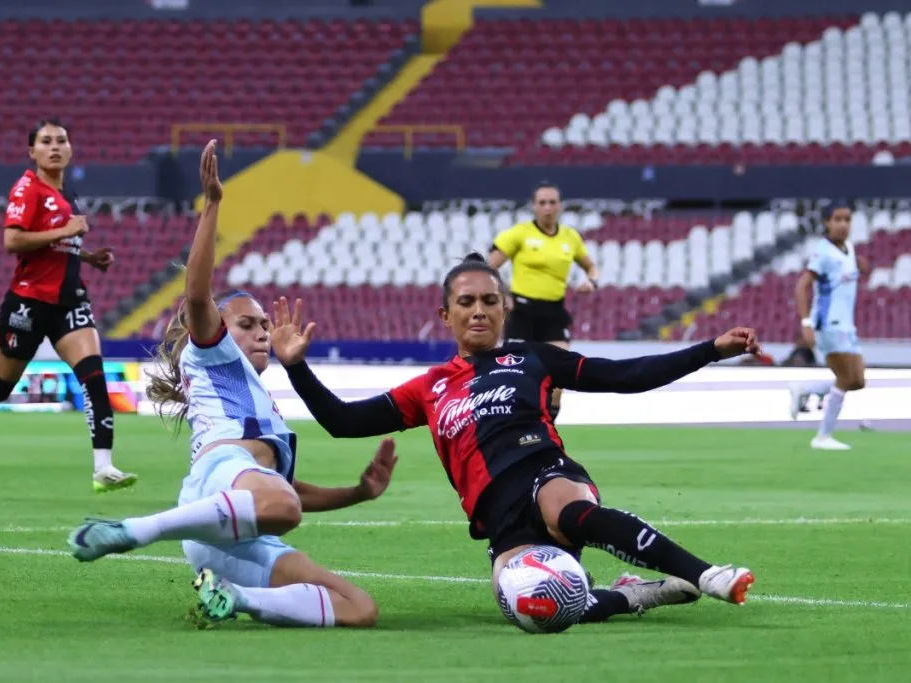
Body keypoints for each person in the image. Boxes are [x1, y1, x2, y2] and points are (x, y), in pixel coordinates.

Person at [271, 254, 761, 627]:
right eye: (466, 302)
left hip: (546, 471)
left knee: (567, 513)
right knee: (539, 611)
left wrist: (710, 350)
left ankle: (707, 575)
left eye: (490, 301)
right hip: (496, 515)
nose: (479, 311)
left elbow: (625, 375)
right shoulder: (428, 388)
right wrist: (295, 365)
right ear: (446, 315)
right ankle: (635, 595)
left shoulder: (533, 358)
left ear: (505, 308)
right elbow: (341, 420)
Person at [66, 140, 387, 629]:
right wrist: (213, 204)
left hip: (238, 529)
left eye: (263, 325)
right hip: (219, 479)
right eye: (247, 323)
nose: (260, 331)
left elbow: (287, 491)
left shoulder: (260, 402)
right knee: (282, 505)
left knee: (360, 609)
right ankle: (136, 530)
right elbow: (197, 293)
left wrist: (358, 493)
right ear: (219, 325)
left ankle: (234, 597)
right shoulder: (211, 352)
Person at [0, 118, 135, 493]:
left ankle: (103, 467)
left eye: (62, 140)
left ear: (70, 149)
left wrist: (87, 257)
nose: (55, 146)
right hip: (28, 304)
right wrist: (67, 231)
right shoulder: (27, 188)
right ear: (32, 151)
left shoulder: (67, 193)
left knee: (94, 376)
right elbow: (13, 240)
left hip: (69, 301)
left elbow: (55, 246)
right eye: (46, 141)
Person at [487, 183, 599, 419]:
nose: (547, 207)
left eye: (552, 202)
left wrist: (591, 282)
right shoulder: (519, 233)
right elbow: (489, 267)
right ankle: (510, 431)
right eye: (542, 203)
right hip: (522, 313)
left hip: (553, 313)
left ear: (560, 206)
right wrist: (502, 294)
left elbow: (591, 267)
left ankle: (546, 431)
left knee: (561, 376)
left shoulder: (570, 237)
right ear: (534, 207)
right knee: (514, 376)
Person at [789, 201, 869, 450]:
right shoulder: (822, 252)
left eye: (847, 219)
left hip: (847, 326)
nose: (843, 224)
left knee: (857, 381)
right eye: (838, 219)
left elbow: (849, 269)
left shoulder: (848, 248)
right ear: (827, 222)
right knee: (846, 378)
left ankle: (805, 389)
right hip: (829, 324)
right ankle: (822, 436)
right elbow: (802, 287)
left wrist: (861, 266)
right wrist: (806, 323)